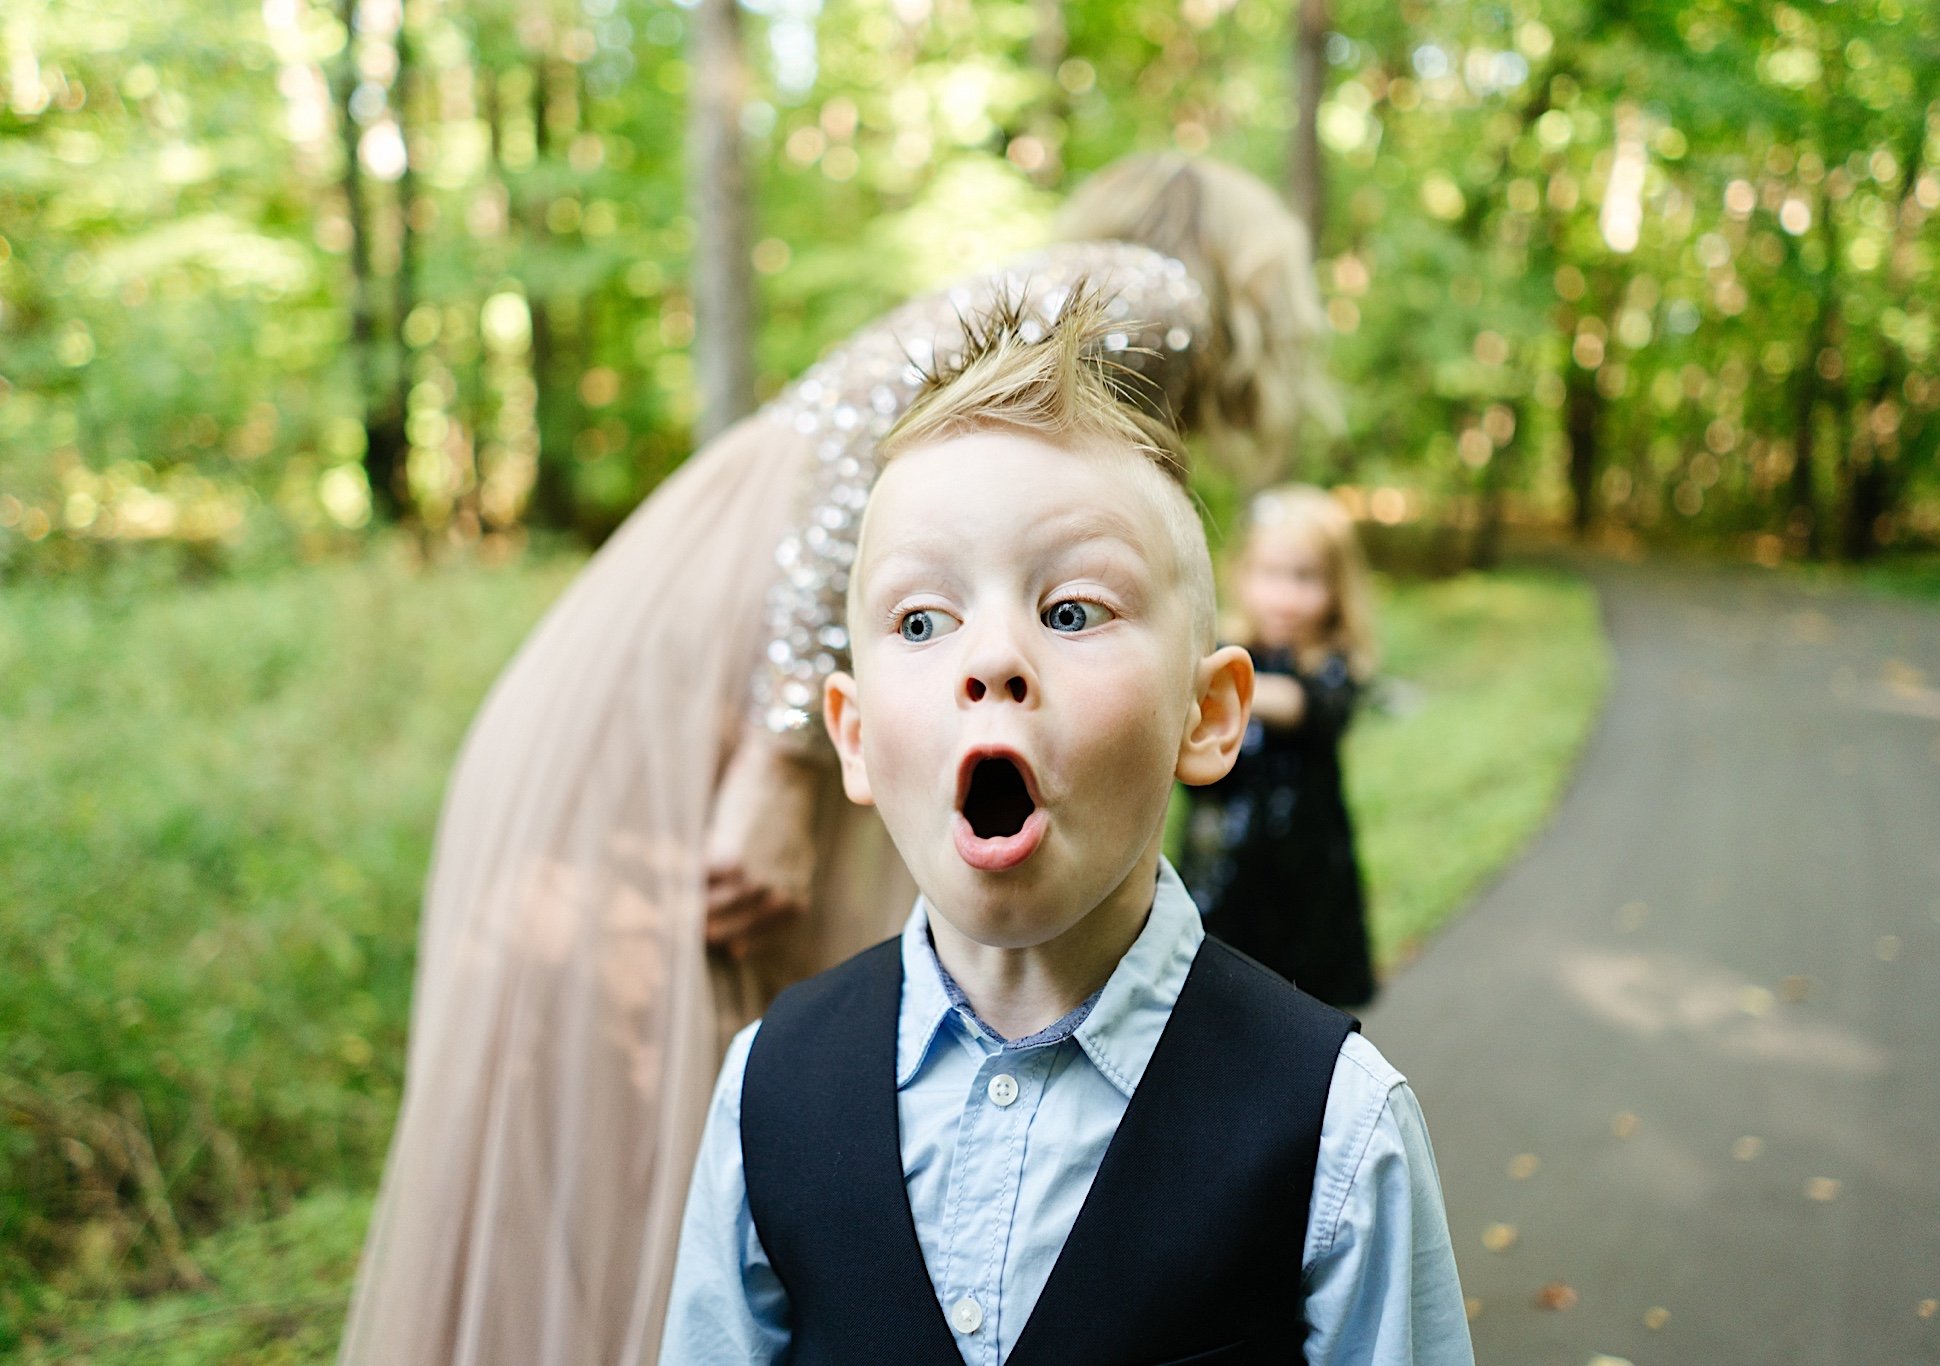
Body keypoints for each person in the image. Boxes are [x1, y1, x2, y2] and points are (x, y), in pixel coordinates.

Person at [338, 155, 1328, 1366]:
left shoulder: (1096, 311)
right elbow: (867, 457)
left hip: (716, 635)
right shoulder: (1143, 292)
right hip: (721, 672)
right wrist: (777, 757)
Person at [660, 292, 1471, 1365]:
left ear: (1207, 714)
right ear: (853, 739)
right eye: (920, 620)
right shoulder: (768, 1087)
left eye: (1072, 609)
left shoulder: (1337, 1130)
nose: (988, 659)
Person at [1179, 484, 1380, 1008]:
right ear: (1242, 575)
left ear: (1338, 587)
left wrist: (1203, 682)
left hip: (1306, 874)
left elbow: (1306, 706)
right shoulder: (1223, 650)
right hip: (1221, 865)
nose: (1285, 596)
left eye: (1306, 578)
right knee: (1214, 999)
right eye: (1270, 575)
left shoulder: (1331, 666)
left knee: (1301, 1007)